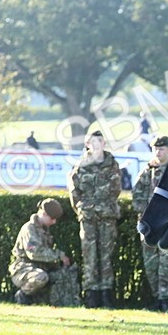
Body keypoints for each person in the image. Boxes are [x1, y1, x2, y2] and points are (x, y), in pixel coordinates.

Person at [67, 129, 121, 308]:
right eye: (93, 141)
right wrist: (83, 209)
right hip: (88, 217)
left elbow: (116, 189)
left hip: (107, 215)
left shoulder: (112, 164)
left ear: (104, 144)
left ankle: (106, 294)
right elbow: (74, 192)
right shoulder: (80, 166)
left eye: (100, 141)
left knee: (106, 256)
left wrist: (105, 205)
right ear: (87, 144)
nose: (96, 145)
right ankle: (91, 294)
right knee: (89, 255)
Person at [131, 135, 168, 312]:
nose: (158, 152)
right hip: (149, 227)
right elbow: (136, 195)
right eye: (155, 149)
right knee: (150, 265)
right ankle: (156, 299)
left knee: (166, 266)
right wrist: (146, 214)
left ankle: (166, 299)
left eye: (161, 149)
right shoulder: (147, 171)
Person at [9, 198, 78, 305]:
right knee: (41, 277)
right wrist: (58, 256)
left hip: (39, 267)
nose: (54, 222)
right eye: (52, 218)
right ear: (44, 214)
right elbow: (34, 253)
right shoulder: (29, 229)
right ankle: (23, 295)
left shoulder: (44, 230)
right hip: (23, 268)